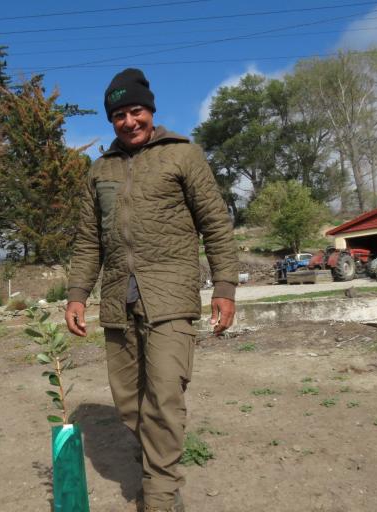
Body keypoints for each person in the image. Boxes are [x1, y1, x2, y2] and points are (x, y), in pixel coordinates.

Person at [65, 68, 239, 512]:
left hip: (170, 296)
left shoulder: (183, 155)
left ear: (151, 110)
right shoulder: (99, 170)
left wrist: (225, 286)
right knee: (129, 401)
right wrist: (77, 295)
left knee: (163, 395)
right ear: (111, 120)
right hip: (117, 300)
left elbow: (215, 225)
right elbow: (89, 240)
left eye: (135, 111)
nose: (129, 121)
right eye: (119, 114)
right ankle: (157, 466)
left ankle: (161, 494)